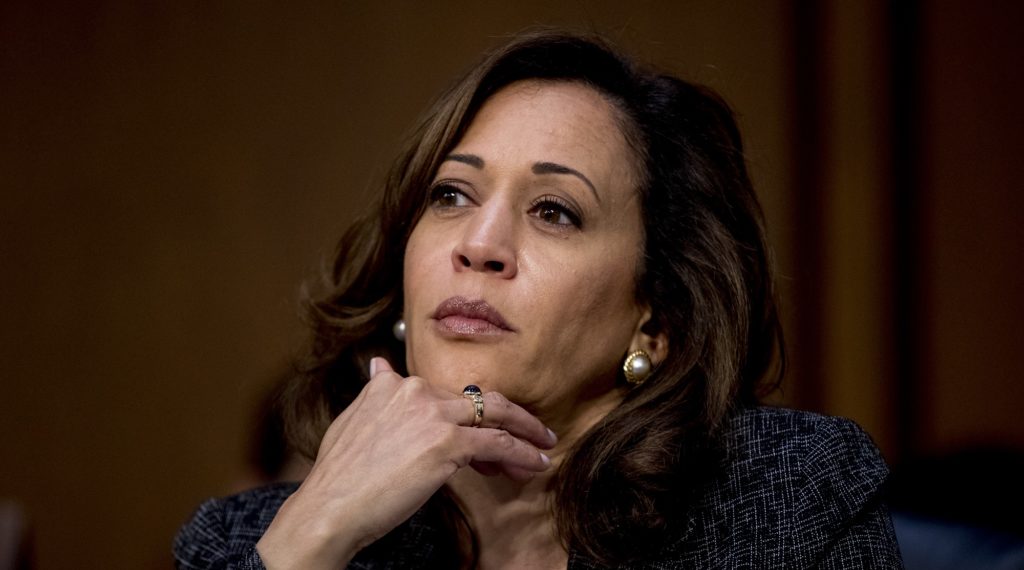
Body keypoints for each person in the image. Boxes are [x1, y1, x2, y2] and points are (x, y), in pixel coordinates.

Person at [174, 31, 903, 569]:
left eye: (554, 211)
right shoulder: (243, 541)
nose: (479, 244)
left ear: (658, 316)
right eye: (451, 195)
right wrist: (312, 539)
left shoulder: (787, 502)